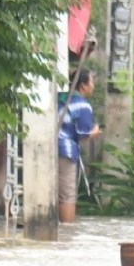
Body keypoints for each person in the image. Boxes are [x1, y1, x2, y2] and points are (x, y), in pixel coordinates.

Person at [58, 69, 101, 224]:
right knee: (67, 195)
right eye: (92, 82)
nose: (93, 86)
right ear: (83, 85)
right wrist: (94, 132)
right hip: (66, 151)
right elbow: (82, 134)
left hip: (48, 146)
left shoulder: (58, 97)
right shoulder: (82, 105)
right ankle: (67, 234)